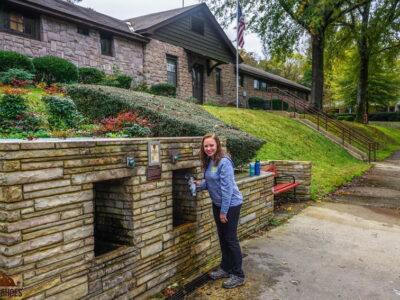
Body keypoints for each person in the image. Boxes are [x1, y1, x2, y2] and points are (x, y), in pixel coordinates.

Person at [195, 133, 245, 289]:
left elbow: (227, 189)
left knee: (230, 239)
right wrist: (200, 185)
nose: (209, 148)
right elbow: (212, 182)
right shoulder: (210, 161)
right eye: (206, 146)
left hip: (231, 204)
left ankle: (238, 274)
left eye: (211, 145)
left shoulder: (224, 162)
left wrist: (224, 212)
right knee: (222, 238)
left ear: (217, 146)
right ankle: (225, 268)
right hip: (218, 204)